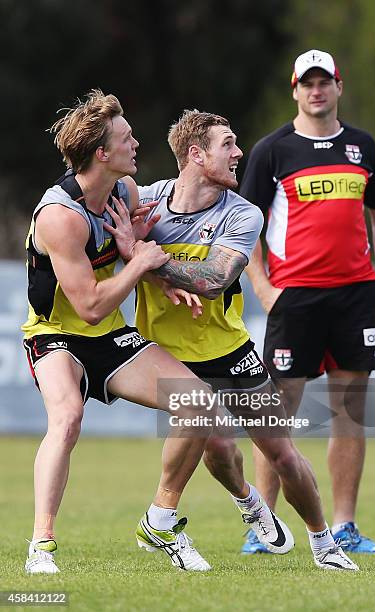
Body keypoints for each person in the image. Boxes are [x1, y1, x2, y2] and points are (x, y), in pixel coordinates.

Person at [109, 109, 358, 570]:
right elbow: (90, 214)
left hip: (228, 350)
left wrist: (141, 256)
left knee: (281, 452)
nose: (239, 153)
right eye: (228, 144)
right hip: (166, 358)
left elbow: (216, 277)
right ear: (196, 154)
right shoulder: (143, 201)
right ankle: (247, 503)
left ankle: (324, 544)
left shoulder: (241, 212)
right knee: (220, 449)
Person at [22, 90, 219, 574]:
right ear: (101, 154)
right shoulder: (59, 218)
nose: (137, 143)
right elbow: (88, 305)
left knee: (198, 404)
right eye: (127, 138)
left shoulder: (124, 192)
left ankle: (160, 520)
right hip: (56, 336)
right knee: (67, 418)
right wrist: (145, 264)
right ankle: (40, 546)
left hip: (109, 335)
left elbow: (131, 254)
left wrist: (155, 271)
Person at [240, 49, 375, 554]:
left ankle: (346, 526)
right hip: (296, 299)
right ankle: (264, 529)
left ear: (338, 86)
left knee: (350, 412)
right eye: (307, 83)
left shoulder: (361, 146)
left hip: (356, 298)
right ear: (294, 90)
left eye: (324, 82)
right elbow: (245, 226)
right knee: (275, 416)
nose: (316, 90)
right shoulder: (273, 150)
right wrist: (263, 288)